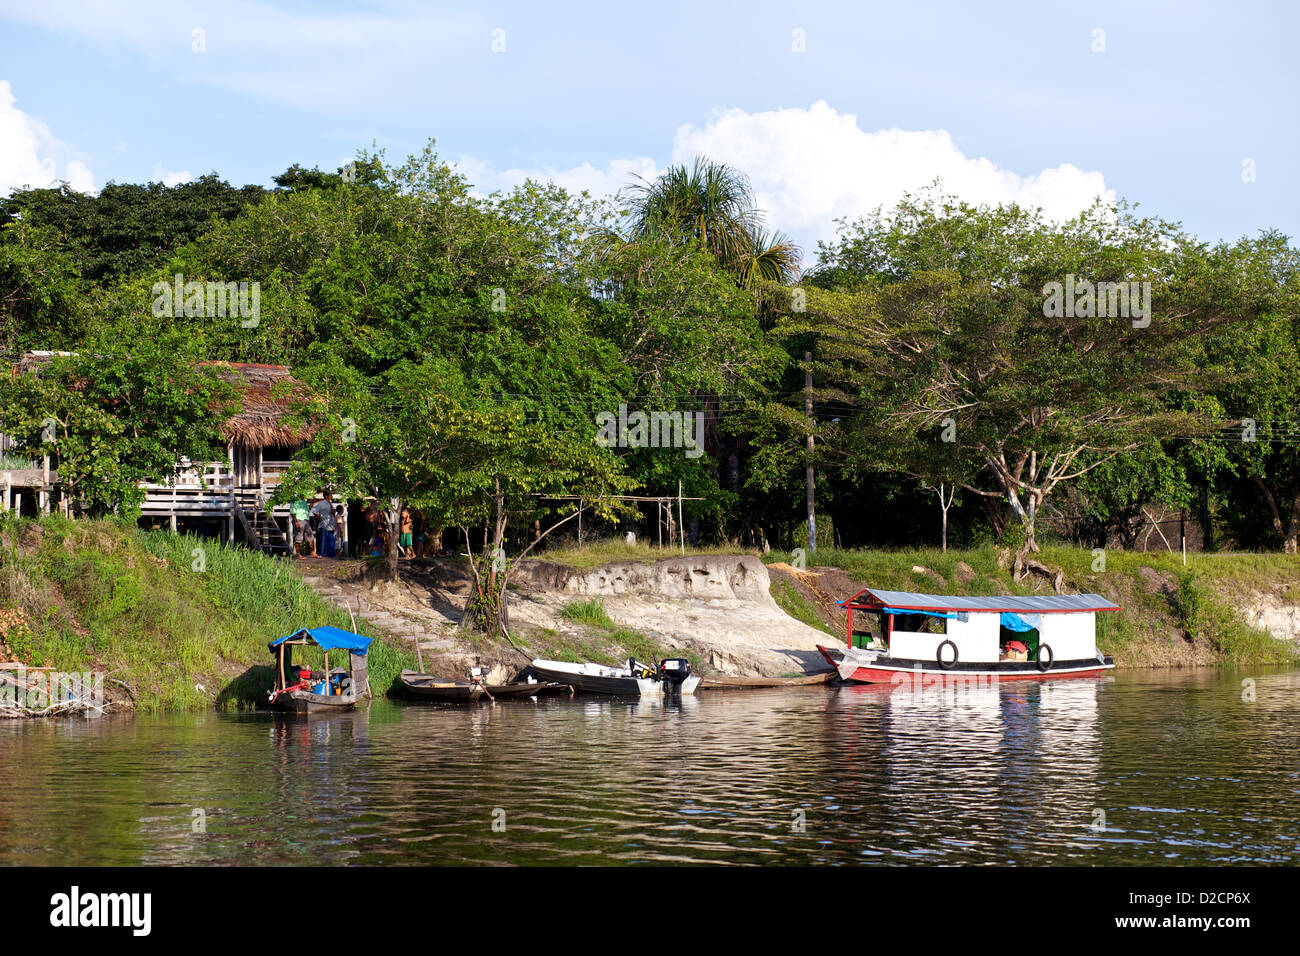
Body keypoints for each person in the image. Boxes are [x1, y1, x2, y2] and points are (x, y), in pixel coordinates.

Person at [311, 492, 337, 558]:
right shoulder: (321, 503)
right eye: (330, 495)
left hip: (331, 524)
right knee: (324, 540)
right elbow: (314, 511)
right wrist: (320, 519)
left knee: (331, 540)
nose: (332, 496)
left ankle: (331, 555)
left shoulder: (330, 504)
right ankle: (323, 554)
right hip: (324, 524)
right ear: (326, 496)